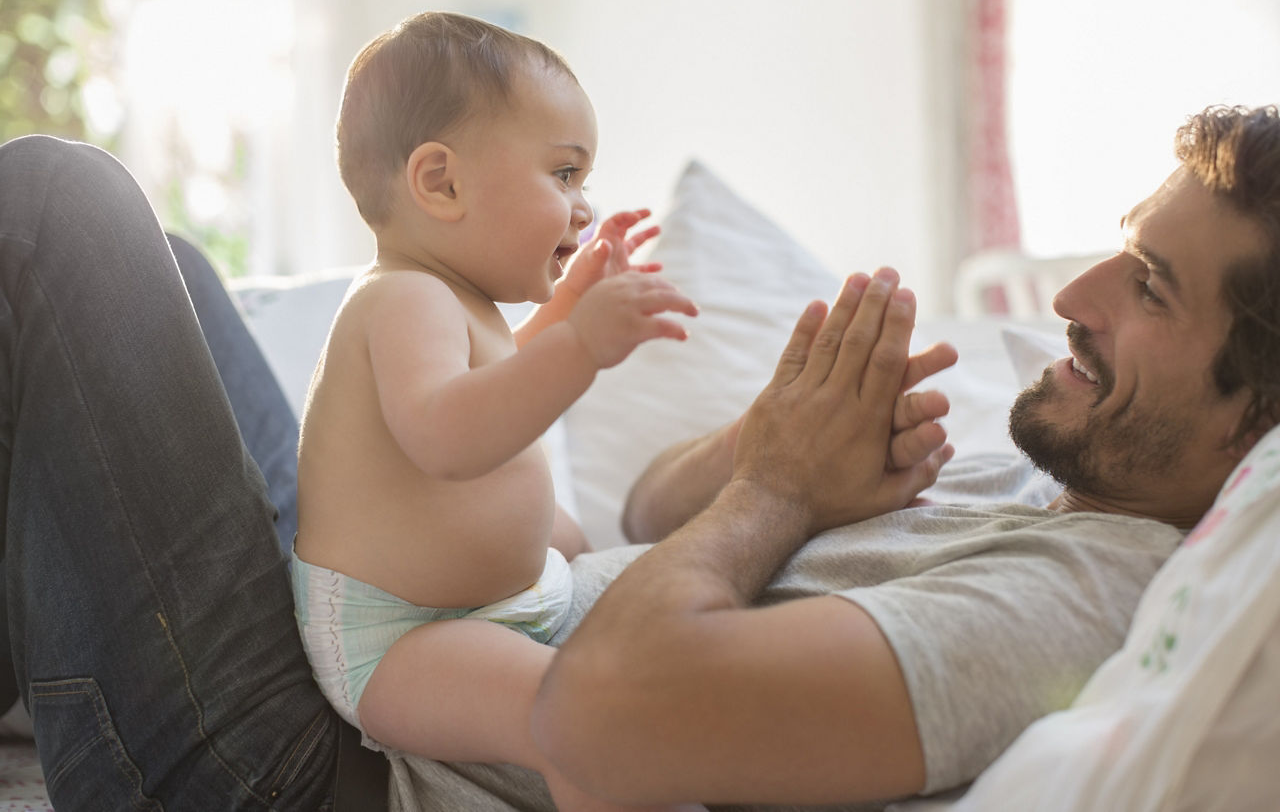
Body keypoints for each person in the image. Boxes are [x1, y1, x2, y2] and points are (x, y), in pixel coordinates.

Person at [1, 95, 1276, 809]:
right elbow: (648, 509)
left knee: (57, 215)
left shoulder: (1072, 607)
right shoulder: (1029, 472)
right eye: (1118, 244)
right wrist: (775, 448)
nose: (1073, 294)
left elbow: (598, 726)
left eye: (1150, 288)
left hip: (330, 772)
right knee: (154, 273)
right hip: (380, 624)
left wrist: (779, 489)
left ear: (1248, 421)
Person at [290, 11, 706, 811]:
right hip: (405, 640)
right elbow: (450, 435)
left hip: (490, 605)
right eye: (562, 175)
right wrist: (580, 343)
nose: (582, 207)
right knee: (577, 718)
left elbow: (506, 367)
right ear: (441, 183)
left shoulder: (460, 298)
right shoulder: (400, 301)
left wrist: (574, 298)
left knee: (579, 546)